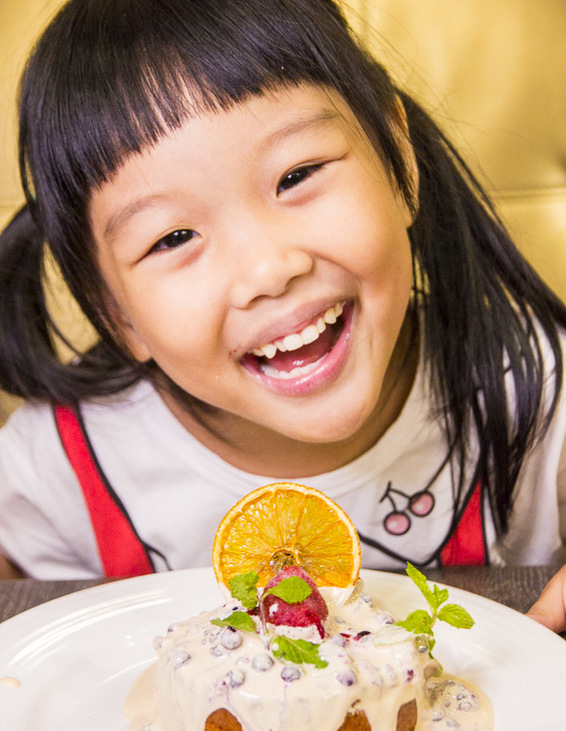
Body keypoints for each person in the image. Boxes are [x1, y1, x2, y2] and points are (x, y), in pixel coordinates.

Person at [0, 0, 565, 632]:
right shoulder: (57, 468)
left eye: (296, 175)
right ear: (115, 312)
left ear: (397, 158)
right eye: (173, 237)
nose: (268, 271)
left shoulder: (538, 387)